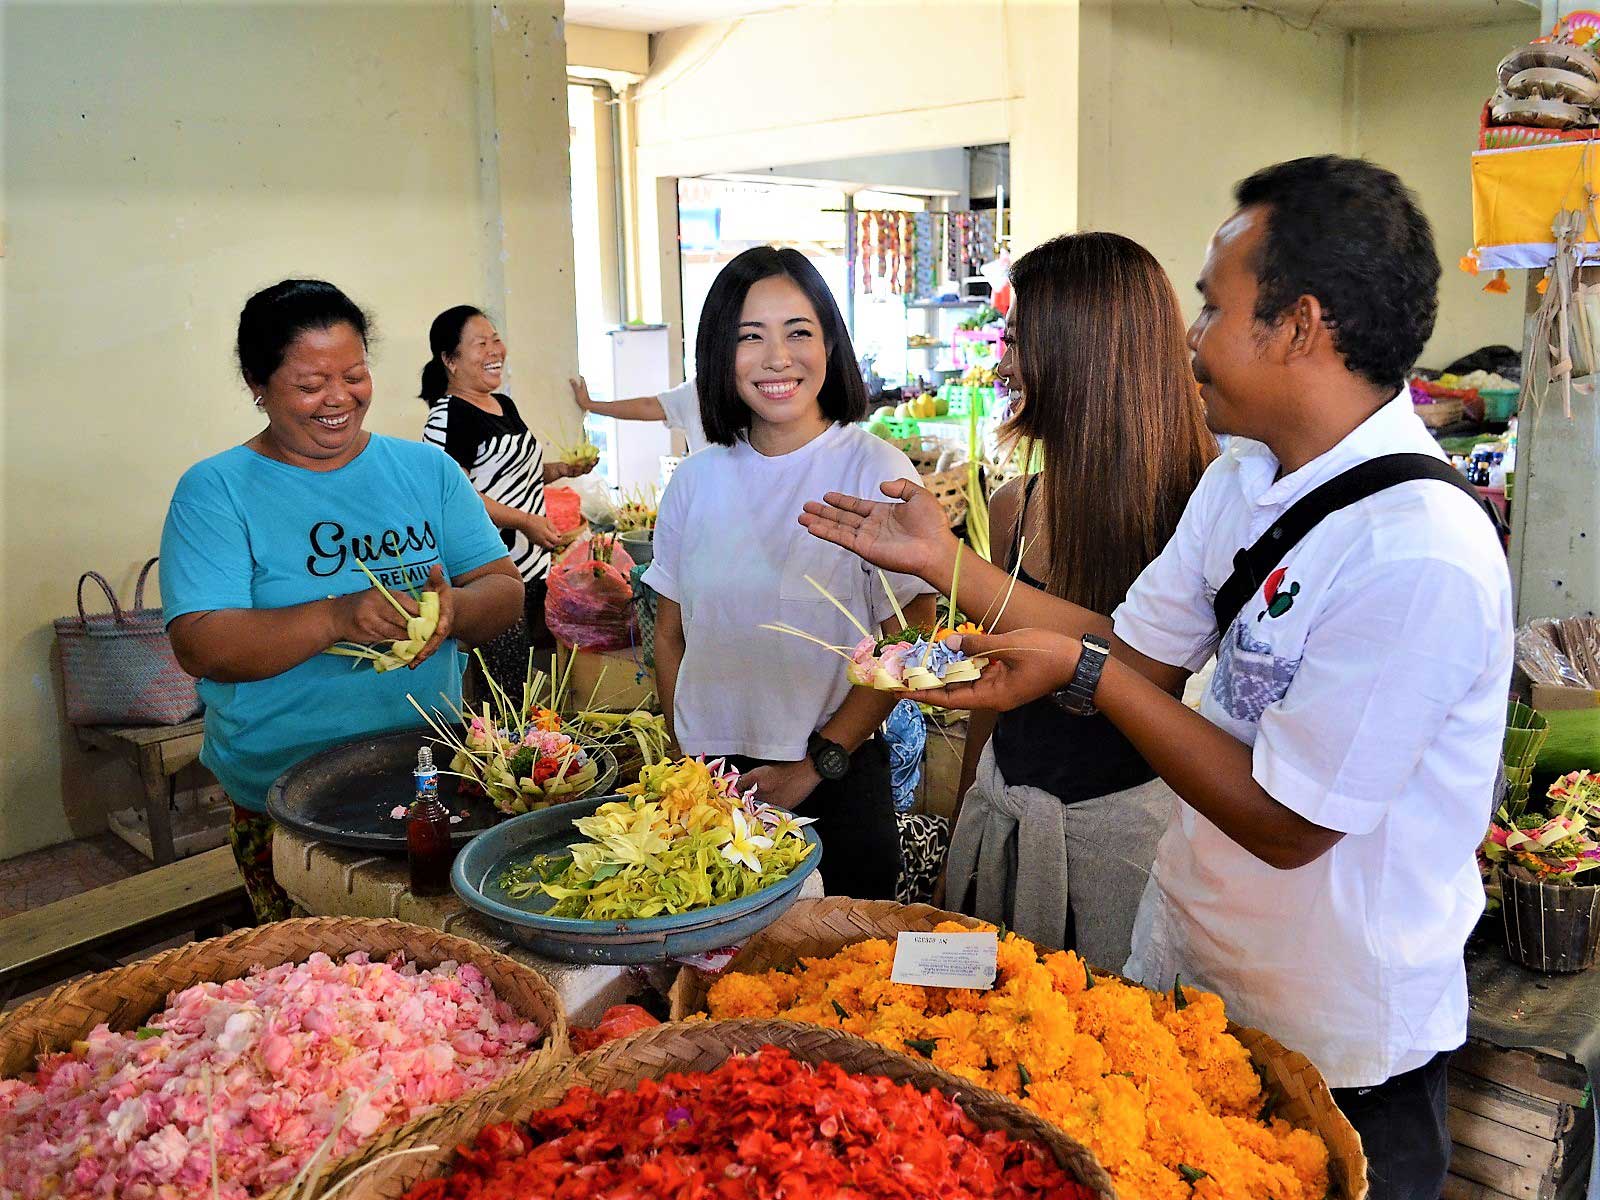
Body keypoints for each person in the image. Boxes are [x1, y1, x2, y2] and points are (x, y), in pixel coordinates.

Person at [800, 157, 1513, 1199]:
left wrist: (1085, 674)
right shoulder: (1244, 479)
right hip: (1194, 982)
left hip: (1337, 1046)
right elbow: (1135, 649)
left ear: (1299, 325)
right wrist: (943, 565)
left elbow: (1285, 821)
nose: (1189, 337)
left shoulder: (1418, 552)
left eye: (1213, 306)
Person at [162, 281, 524, 920]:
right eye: (310, 385)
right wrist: (335, 617)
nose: (339, 399)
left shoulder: (423, 471)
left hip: (432, 774)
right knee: (335, 992)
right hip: (287, 797)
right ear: (257, 381)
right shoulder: (216, 491)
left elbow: (502, 589)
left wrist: (452, 613)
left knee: (447, 977)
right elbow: (202, 644)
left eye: (355, 375)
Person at [947, 232, 1215, 968]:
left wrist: (945, 564)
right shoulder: (1016, 505)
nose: (1004, 363)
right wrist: (965, 813)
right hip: (1002, 826)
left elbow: (1141, 669)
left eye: (1019, 339)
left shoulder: (1200, 513)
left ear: (1085, 356)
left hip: (1129, 852)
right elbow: (996, 686)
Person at [641, 246, 937, 900]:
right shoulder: (695, 479)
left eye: (798, 332)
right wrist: (688, 766)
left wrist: (818, 761)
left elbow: (912, 637)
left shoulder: (874, 470)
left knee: (839, 988)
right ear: (721, 353)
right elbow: (671, 636)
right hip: (711, 792)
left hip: (835, 773)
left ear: (829, 342)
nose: (778, 357)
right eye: (751, 337)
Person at [421, 306, 591, 688]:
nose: (494, 349)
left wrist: (560, 470)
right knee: (504, 690)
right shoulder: (448, 417)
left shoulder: (503, 405)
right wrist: (524, 521)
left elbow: (508, 471)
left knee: (522, 677)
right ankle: (502, 748)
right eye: (480, 343)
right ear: (450, 360)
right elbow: (453, 496)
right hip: (490, 575)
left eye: (495, 338)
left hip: (531, 567)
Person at [570, 374, 708, 455]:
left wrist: (590, 405)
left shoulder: (694, 391)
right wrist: (590, 405)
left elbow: (647, 405)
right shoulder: (694, 391)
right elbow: (646, 406)